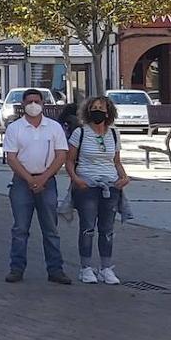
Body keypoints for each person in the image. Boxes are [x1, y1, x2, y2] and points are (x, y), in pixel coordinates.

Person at [3, 88, 72, 285]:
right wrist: (29, 179)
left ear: (43, 104)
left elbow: (61, 155)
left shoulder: (54, 127)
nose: (33, 105)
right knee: (20, 229)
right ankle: (16, 269)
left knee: (51, 229)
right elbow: (11, 158)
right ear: (23, 104)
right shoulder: (15, 128)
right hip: (21, 182)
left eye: (37, 101)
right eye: (29, 101)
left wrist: (43, 178)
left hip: (47, 182)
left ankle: (55, 270)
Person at [66, 95, 130, 285]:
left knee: (107, 229)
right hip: (87, 185)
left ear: (108, 112)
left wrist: (124, 177)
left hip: (110, 186)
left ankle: (106, 268)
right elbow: (69, 160)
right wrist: (76, 179)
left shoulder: (114, 134)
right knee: (87, 228)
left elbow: (116, 161)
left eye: (101, 108)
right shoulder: (80, 133)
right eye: (94, 108)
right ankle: (86, 268)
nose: (98, 111)